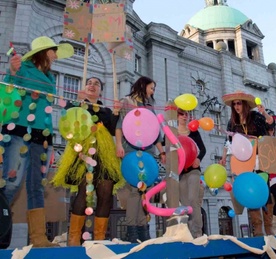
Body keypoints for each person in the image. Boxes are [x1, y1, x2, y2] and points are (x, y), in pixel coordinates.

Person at [1, 36, 73, 247]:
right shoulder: (22, 66)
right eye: (54, 51)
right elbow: (8, 93)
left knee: (37, 186)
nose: (56, 55)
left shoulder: (50, 78)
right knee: (11, 183)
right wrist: (12, 73)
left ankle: (39, 238)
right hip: (18, 132)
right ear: (44, 51)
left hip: (43, 136)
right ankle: (2, 232)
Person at [52, 77, 124, 246]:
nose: (92, 85)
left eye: (96, 84)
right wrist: (77, 102)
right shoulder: (76, 105)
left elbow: (113, 131)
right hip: (83, 152)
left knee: (105, 195)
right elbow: (67, 123)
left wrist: (115, 112)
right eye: (89, 83)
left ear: (101, 90)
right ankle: (74, 239)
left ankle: (99, 239)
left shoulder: (106, 111)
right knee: (84, 192)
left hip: (104, 156)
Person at [115, 76, 166, 242]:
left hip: (148, 152)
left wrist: (162, 152)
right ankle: (132, 230)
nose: (152, 91)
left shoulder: (150, 107)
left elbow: (155, 133)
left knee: (144, 191)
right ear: (143, 86)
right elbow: (119, 126)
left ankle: (143, 228)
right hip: (130, 151)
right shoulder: (126, 101)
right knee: (134, 191)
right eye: (151, 88)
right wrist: (118, 145)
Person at [218, 91, 274, 236]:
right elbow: (228, 142)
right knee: (250, 191)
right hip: (244, 162)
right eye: (234, 104)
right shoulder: (232, 123)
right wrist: (223, 157)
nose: (236, 106)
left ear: (244, 104)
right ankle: (258, 229)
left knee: (264, 190)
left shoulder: (256, 117)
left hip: (260, 158)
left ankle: (269, 228)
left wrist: (265, 113)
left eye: (239, 103)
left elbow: (271, 124)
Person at [176, 108, 206, 238]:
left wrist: (198, 159)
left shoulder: (193, 132)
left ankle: (197, 232)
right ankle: (188, 233)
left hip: (193, 170)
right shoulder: (172, 133)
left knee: (193, 199)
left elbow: (203, 149)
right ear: (176, 116)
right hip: (181, 172)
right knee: (185, 203)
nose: (184, 116)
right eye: (181, 114)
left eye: (186, 114)